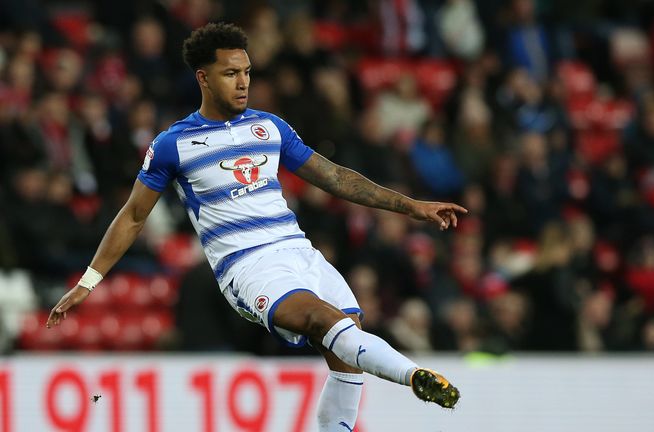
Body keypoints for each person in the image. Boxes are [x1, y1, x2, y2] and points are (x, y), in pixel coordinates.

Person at [45, 22, 464, 430]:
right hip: (249, 267)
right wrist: (90, 280)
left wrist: (411, 206)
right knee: (324, 321)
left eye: (247, 72)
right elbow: (134, 215)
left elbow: (335, 177)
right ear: (204, 78)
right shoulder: (174, 144)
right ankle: (415, 376)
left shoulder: (270, 127)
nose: (243, 82)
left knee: (347, 356)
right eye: (231, 74)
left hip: (302, 253)